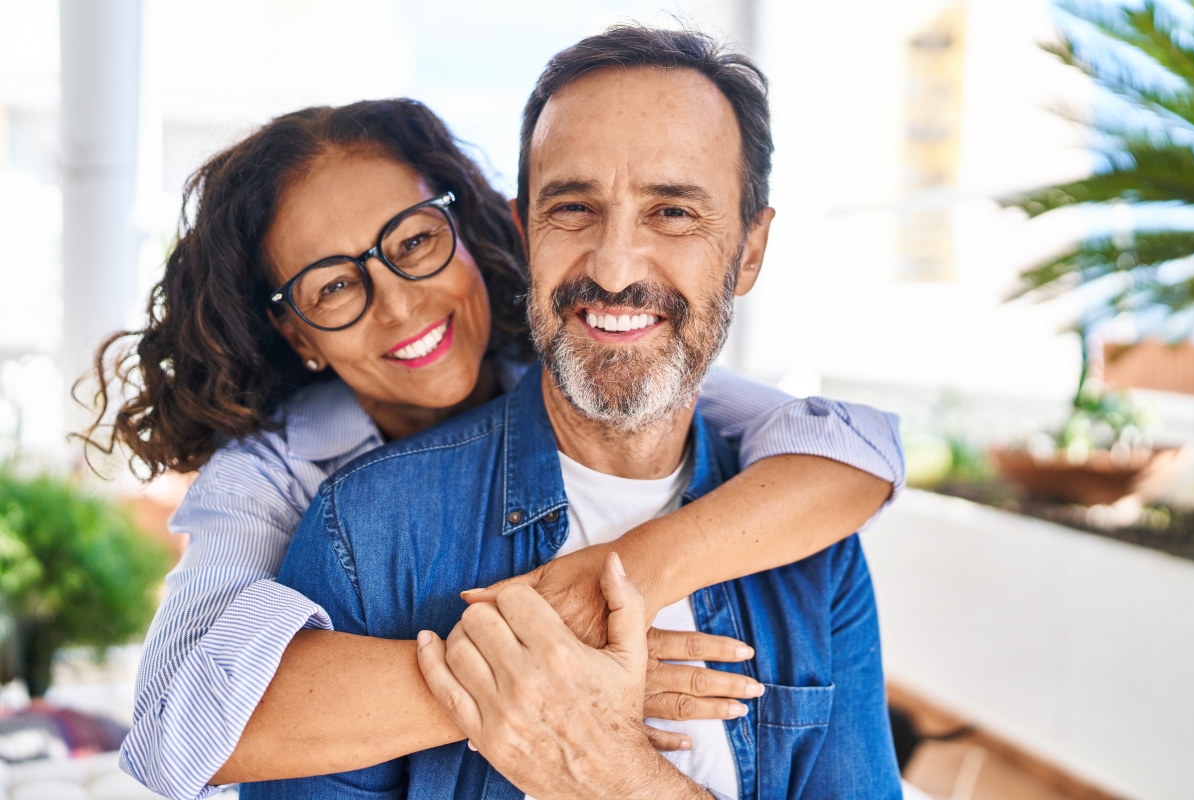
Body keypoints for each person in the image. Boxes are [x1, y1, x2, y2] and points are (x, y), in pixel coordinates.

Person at [86, 73, 900, 800]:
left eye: (413, 242)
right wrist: (534, 680)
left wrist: (615, 585)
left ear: (472, 233)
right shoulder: (300, 494)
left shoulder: (595, 354)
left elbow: (852, 455)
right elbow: (173, 721)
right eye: (334, 285)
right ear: (298, 332)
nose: (399, 304)